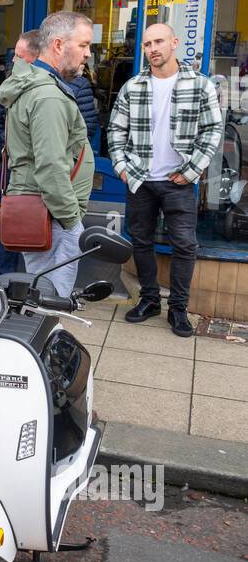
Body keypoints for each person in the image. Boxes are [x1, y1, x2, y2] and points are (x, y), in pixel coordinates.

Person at [108, 22, 223, 337]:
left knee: (185, 245)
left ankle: (178, 309)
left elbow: (213, 130)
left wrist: (190, 171)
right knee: (141, 242)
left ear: (174, 43)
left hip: (179, 182)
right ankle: (149, 300)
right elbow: (116, 130)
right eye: (147, 44)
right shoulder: (133, 86)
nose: (152, 49)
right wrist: (121, 166)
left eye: (158, 42)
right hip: (140, 179)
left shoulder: (200, 84)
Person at [0, 11, 95, 297]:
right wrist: (72, 221)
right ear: (59, 45)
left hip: (45, 209)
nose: (88, 53)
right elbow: (50, 166)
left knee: (38, 293)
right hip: (53, 213)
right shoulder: (47, 95)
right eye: (84, 45)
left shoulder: (38, 85)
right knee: (52, 299)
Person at [0, 29, 41, 276]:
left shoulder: (70, 83)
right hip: (12, 169)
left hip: (46, 171)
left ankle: (38, 284)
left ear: (35, 56)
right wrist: (2, 148)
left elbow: (85, 126)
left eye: (19, 56)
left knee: (42, 229)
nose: (13, 61)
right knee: (9, 226)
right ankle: (5, 280)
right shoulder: (9, 85)